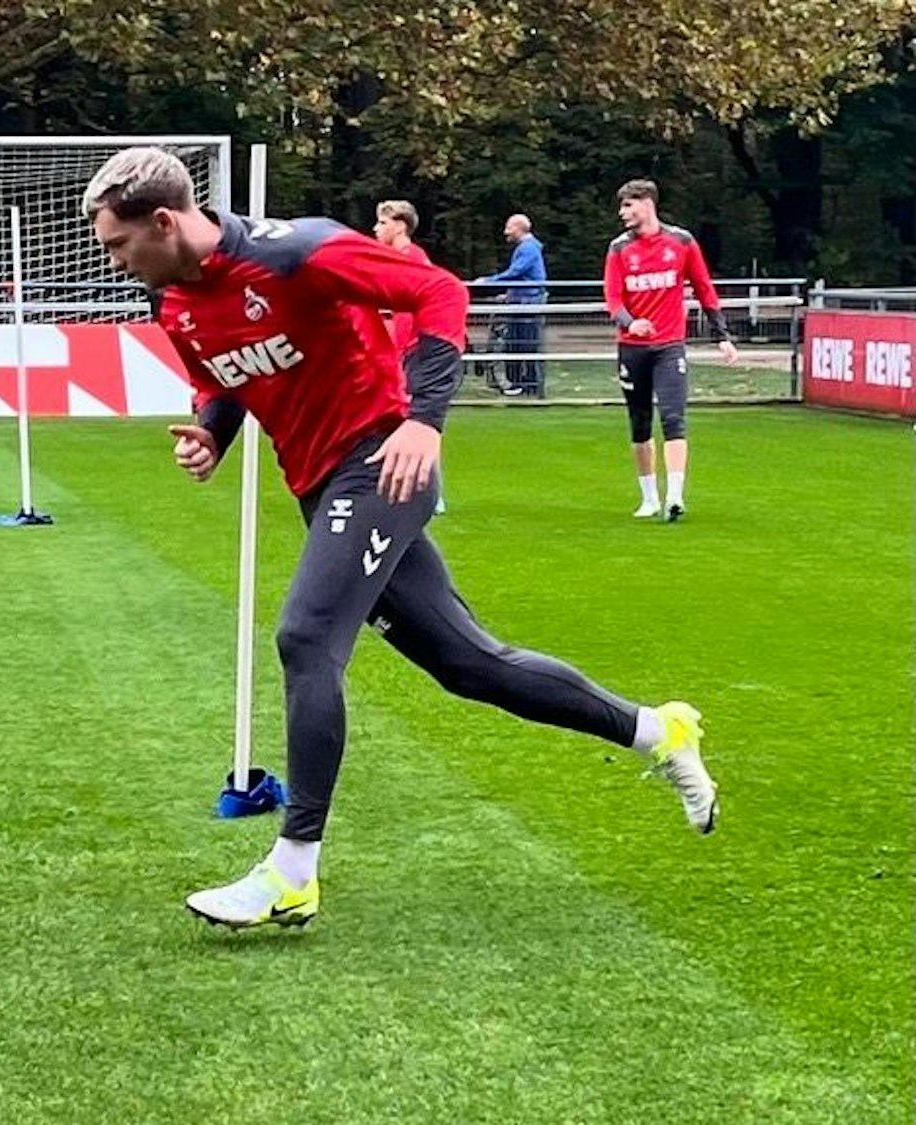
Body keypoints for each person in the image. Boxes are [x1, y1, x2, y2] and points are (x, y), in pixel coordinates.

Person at [81, 147, 717, 930]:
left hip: (381, 463)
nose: (113, 261)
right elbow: (224, 379)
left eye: (118, 244)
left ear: (165, 221)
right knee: (471, 665)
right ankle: (661, 730)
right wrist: (212, 433)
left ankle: (293, 869)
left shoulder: (297, 250)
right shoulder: (174, 303)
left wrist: (423, 420)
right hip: (322, 486)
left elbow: (439, 291)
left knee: (306, 638)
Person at [603, 180, 740, 522]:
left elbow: (705, 288)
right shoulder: (619, 249)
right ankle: (649, 497)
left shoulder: (681, 242)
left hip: (669, 346)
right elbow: (613, 299)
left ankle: (675, 497)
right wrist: (629, 322)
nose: (623, 214)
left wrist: (721, 335)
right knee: (640, 424)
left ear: (646, 204)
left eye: (627, 206)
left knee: (674, 418)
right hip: (632, 348)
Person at [372, 200, 446, 516]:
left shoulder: (413, 261)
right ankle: (402, 485)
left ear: (400, 225)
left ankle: (430, 492)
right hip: (401, 352)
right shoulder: (391, 260)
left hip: (419, 351)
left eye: (382, 223)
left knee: (421, 421)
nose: (376, 229)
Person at [474, 214, 547, 396]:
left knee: (524, 344)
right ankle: (523, 383)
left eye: (509, 228)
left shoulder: (528, 248)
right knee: (518, 343)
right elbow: (524, 276)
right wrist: (509, 294)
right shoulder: (528, 247)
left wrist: (488, 281)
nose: (506, 232)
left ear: (519, 228)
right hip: (522, 301)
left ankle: (526, 384)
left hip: (527, 304)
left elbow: (516, 272)